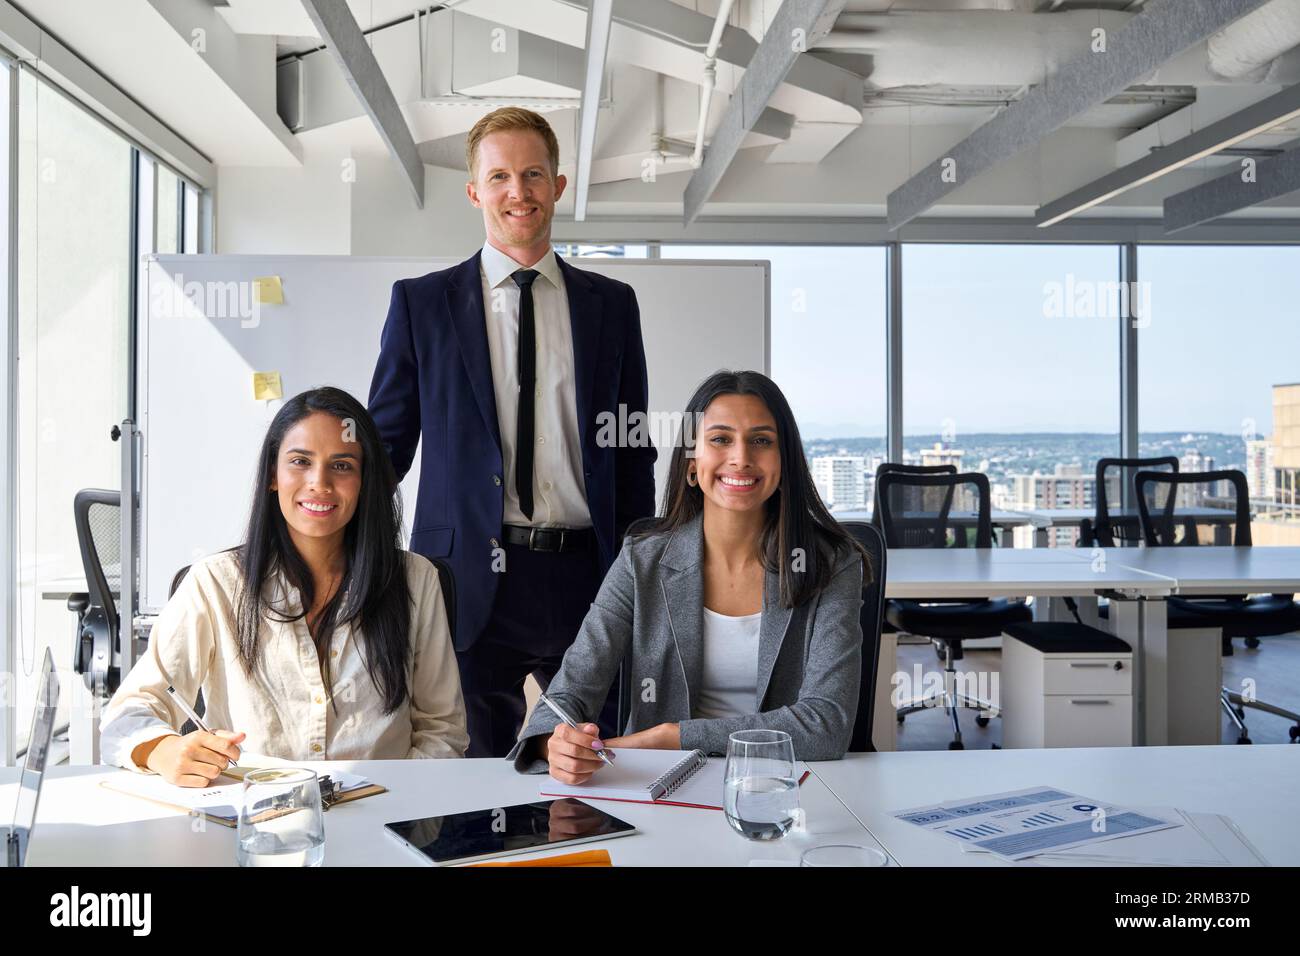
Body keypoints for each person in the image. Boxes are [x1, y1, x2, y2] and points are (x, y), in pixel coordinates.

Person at [368, 107, 656, 757]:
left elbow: (632, 449)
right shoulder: (423, 306)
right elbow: (385, 450)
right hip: (466, 580)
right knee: (472, 777)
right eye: (499, 176)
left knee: (594, 768)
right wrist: (350, 561)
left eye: (532, 174)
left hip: (590, 576)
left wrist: (639, 573)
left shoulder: (611, 306)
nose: (517, 192)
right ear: (474, 192)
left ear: (558, 185)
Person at [509, 370, 870, 780]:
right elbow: (570, 690)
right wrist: (554, 743)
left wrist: (673, 737)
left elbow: (826, 726)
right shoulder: (642, 559)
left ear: (785, 463)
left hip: (787, 787)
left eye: (762, 441)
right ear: (691, 464)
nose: (741, 458)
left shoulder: (831, 563)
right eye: (720, 439)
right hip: (659, 785)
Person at [101, 387, 468, 786]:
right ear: (273, 476)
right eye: (300, 462)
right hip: (254, 822)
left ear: (365, 480)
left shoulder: (415, 580)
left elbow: (441, 731)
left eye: (342, 466)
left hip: (383, 817)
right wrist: (164, 750)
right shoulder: (215, 582)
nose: (319, 483)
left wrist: (396, 804)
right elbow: (129, 714)